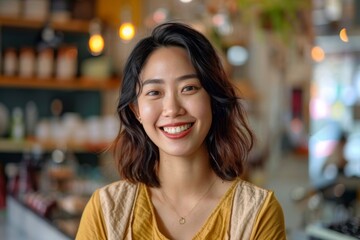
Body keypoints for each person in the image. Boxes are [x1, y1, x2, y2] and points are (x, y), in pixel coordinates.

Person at [76, 22, 286, 240]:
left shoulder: (257, 214)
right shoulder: (106, 212)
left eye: (189, 88)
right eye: (154, 92)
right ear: (136, 109)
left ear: (213, 100)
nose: (172, 109)